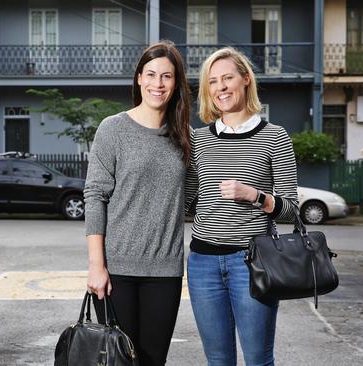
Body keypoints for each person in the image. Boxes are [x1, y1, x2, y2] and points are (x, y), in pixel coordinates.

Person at [184, 47, 299, 366]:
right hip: (202, 264)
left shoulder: (275, 137)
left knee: (258, 359)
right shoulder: (199, 140)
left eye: (227, 78)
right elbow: (184, 202)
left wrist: (257, 196)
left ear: (245, 79)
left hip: (251, 264)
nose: (220, 87)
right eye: (212, 81)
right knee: (218, 360)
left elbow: (292, 210)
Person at [84, 41, 191, 366]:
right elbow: (95, 196)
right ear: (139, 78)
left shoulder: (185, 136)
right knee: (118, 361)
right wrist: (96, 266)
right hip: (117, 270)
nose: (158, 84)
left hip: (165, 270)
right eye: (151, 74)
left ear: (176, 84)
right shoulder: (112, 129)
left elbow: (191, 199)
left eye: (167, 77)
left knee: (153, 360)